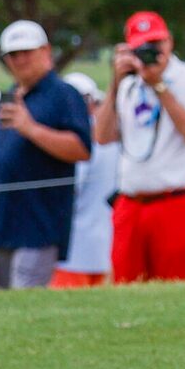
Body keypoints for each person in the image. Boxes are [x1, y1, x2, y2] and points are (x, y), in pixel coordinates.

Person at [93, 10, 185, 283]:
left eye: (156, 44)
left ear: (169, 42)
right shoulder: (128, 85)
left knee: (176, 288)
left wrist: (160, 86)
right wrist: (115, 83)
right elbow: (102, 136)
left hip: (176, 200)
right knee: (125, 286)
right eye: (142, 47)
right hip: (131, 202)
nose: (151, 52)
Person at [0, 22, 95, 288]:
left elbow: (82, 149)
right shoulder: (9, 98)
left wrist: (30, 128)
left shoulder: (63, 95)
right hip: (3, 223)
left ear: (45, 51)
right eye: (12, 55)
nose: (19, 60)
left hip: (38, 226)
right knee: (1, 303)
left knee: (24, 300)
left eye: (26, 52)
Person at [52, 67, 119, 286]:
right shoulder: (111, 137)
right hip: (101, 248)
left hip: (72, 252)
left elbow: (70, 191)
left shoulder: (79, 139)